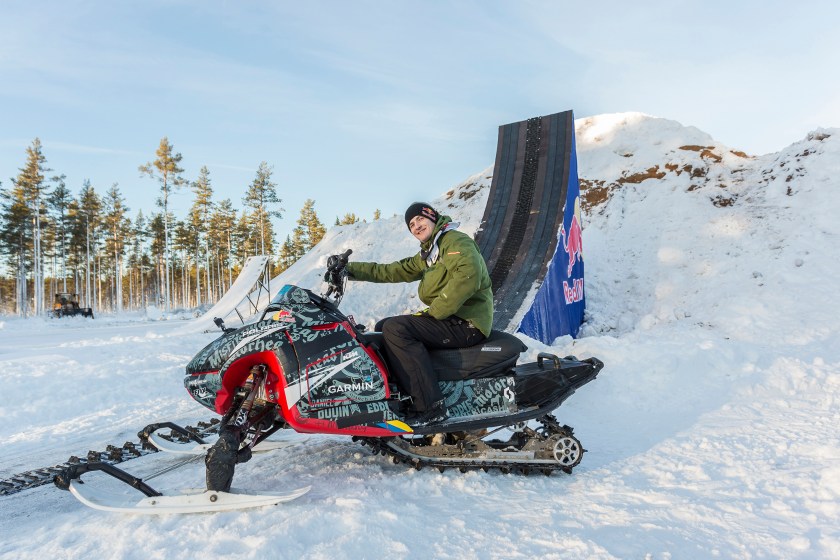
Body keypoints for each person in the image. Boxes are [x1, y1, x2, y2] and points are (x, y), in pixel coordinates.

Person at [342, 202, 493, 425]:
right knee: (385, 326)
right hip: (451, 319)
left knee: (396, 329)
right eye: (411, 225)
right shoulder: (429, 253)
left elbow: (468, 275)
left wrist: (436, 312)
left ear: (433, 218)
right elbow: (392, 271)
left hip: (467, 322)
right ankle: (406, 394)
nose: (416, 226)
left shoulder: (454, 240)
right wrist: (348, 269)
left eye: (420, 219)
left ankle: (430, 407)